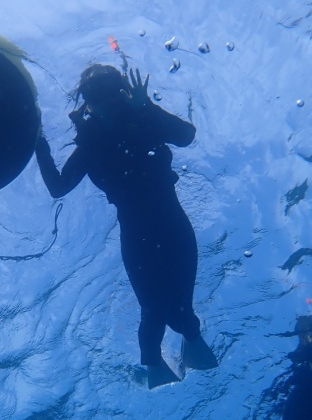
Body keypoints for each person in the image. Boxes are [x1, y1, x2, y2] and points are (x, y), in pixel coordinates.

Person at [35, 65, 216, 389]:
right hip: (139, 234)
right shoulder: (90, 146)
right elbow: (58, 187)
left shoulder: (146, 122)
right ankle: (155, 363)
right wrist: (39, 145)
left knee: (177, 310)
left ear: (124, 93)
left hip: (170, 225)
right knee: (153, 308)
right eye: (96, 97)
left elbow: (187, 135)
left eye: (111, 94)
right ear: (88, 105)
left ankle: (189, 339)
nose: (106, 103)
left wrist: (148, 108)